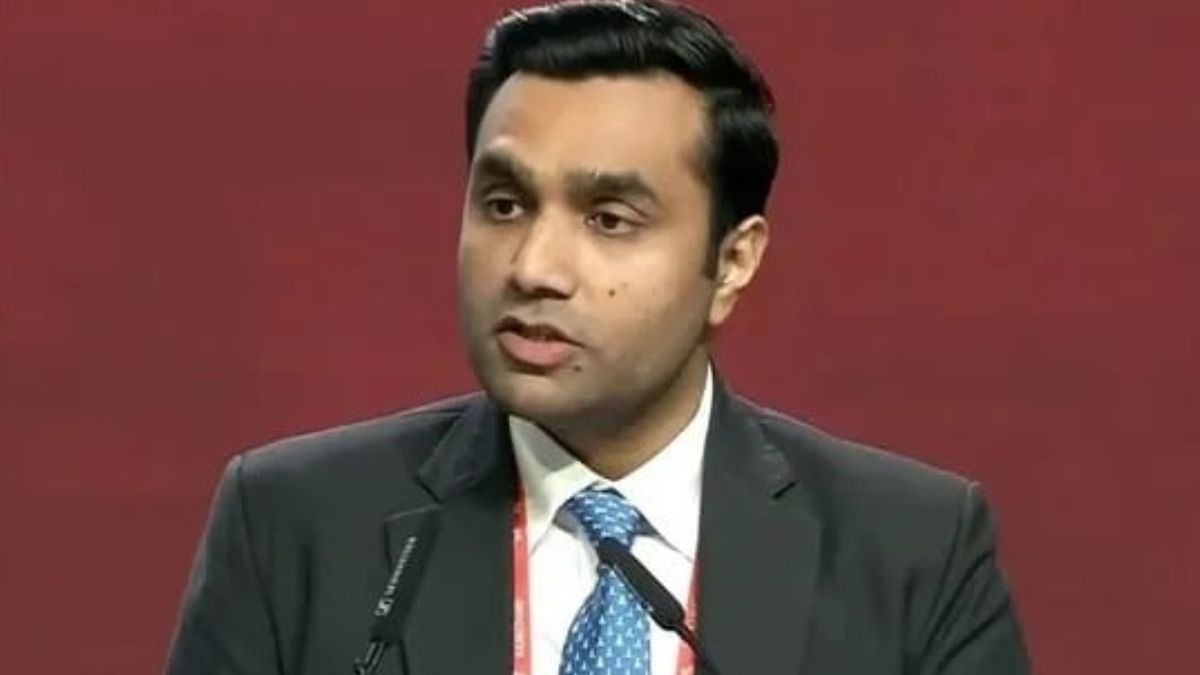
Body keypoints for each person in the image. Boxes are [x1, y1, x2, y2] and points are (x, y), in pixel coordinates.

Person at [164, 1, 1031, 673]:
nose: (534, 266)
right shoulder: (293, 525)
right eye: (504, 204)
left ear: (733, 261)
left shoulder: (914, 553)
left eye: (610, 219)